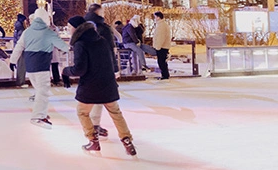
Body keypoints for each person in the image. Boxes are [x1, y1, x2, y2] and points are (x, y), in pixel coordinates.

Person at [67, 16, 136, 156]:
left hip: (90, 86)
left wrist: (66, 71)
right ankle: (127, 140)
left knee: (82, 112)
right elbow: (110, 61)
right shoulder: (102, 40)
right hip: (108, 83)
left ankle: (93, 140)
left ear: (76, 28)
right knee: (116, 113)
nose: (68, 29)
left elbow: (80, 69)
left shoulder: (81, 44)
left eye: (69, 27)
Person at [11, 8, 69, 128]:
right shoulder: (48, 32)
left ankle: (41, 112)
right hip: (42, 65)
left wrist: (12, 61)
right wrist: (70, 48)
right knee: (43, 91)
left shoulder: (27, 32)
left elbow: (19, 46)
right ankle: (37, 116)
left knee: (39, 91)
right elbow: (63, 46)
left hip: (30, 66)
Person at [152, 11, 172, 80]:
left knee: (161, 61)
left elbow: (161, 37)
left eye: (155, 17)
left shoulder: (161, 26)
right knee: (162, 61)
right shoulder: (161, 25)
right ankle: (165, 75)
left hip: (162, 46)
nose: (154, 18)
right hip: (163, 46)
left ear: (158, 17)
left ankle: (165, 75)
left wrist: (158, 47)